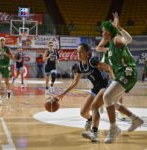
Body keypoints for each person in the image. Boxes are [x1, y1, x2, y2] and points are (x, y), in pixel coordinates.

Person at [95, 12, 143, 143]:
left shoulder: (116, 39)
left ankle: (113, 129)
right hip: (123, 74)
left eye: (103, 31)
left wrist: (118, 27)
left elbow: (129, 40)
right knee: (112, 102)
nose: (101, 33)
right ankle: (136, 119)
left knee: (107, 97)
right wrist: (106, 38)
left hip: (128, 72)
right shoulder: (110, 45)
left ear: (109, 32)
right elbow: (98, 48)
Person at [55, 43, 114, 132]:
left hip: (105, 86)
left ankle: (94, 133)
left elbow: (109, 67)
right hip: (95, 89)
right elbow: (74, 83)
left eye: (81, 52)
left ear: (88, 52)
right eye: (77, 52)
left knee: (95, 107)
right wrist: (62, 95)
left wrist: (115, 79)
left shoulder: (92, 61)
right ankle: (90, 119)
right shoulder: (80, 66)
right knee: (83, 113)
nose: (78, 54)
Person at [0, 37, 14, 103]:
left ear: (4, 42)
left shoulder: (7, 48)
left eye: (3, 41)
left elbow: (12, 57)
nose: (2, 42)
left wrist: (5, 53)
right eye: (1, 41)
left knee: (7, 82)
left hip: (6, 67)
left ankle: (9, 91)